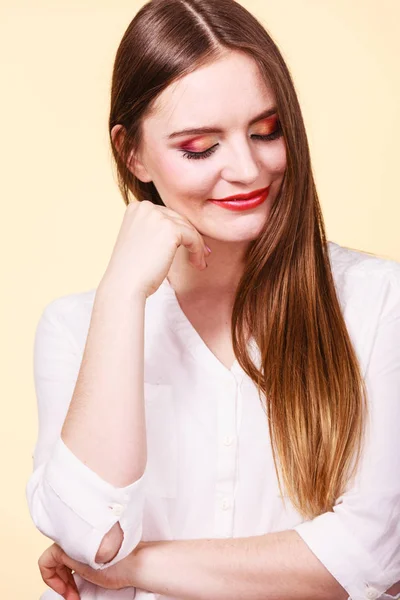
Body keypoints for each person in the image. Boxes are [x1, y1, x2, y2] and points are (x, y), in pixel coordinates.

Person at [26, 0, 400, 599]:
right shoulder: (75, 328)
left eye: (266, 131)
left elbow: (373, 550)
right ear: (133, 153)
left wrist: (132, 568)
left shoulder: (377, 303)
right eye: (200, 146)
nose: (248, 168)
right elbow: (89, 537)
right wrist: (122, 293)